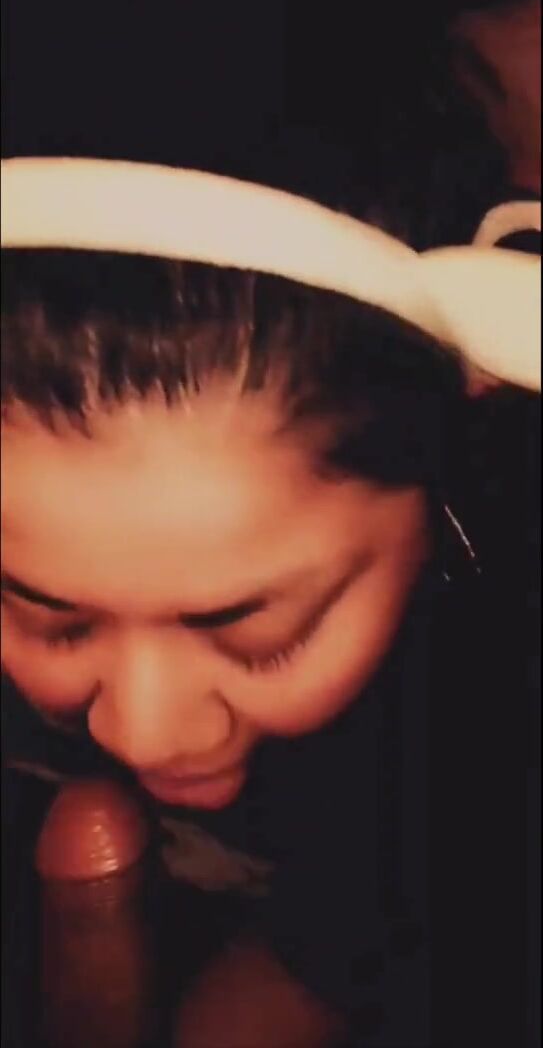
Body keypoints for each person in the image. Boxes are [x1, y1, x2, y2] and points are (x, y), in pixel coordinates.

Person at [1, 158, 540, 1047]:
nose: (142, 731)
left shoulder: (473, 757)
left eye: (260, 635)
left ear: (438, 497)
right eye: (49, 619)